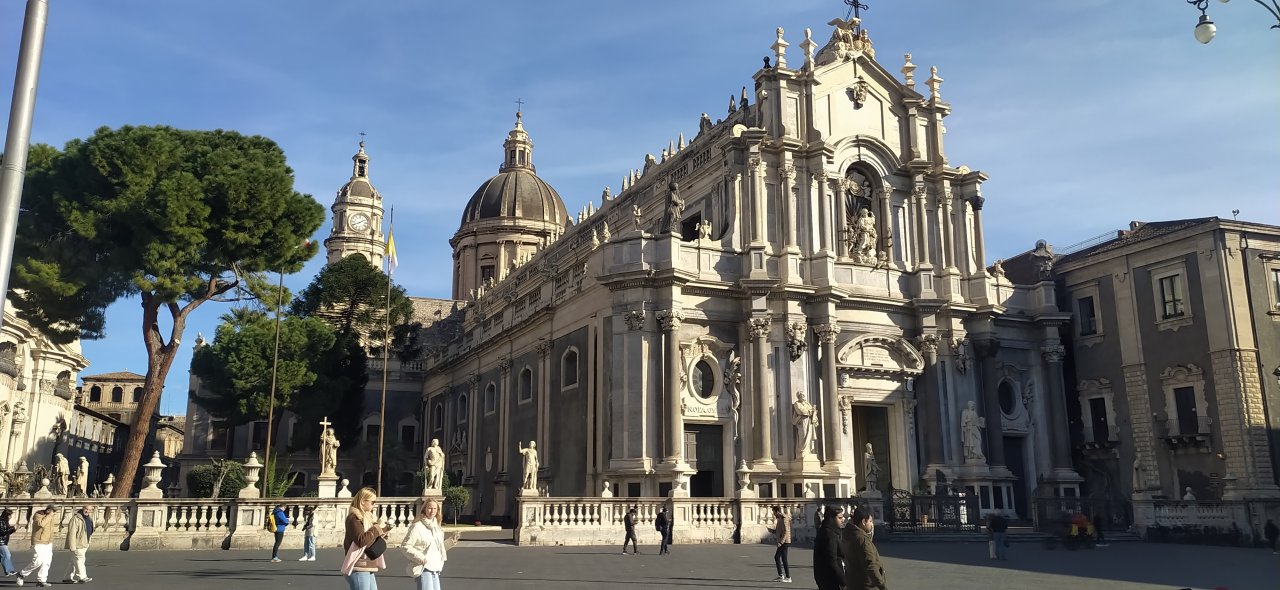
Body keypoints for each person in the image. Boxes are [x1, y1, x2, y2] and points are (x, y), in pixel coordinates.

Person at [341, 487, 391, 590]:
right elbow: (361, 541)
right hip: (358, 565)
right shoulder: (354, 518)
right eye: (373, 502)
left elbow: (371, 537)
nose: (374, 504)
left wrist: (384, 531)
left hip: (369, 564)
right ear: (363, 501)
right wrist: (376, 529)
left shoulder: (370, 517)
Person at [402, 498, 448, 590]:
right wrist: (420, 557)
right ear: (424, 509)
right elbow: (405, 546)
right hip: (424, 567)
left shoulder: (437, 527)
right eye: (430, 508)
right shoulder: (417, 526)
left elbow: (437, 547)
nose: (432, 511)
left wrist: (451, 542)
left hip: (436, 567)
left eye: (435, 509)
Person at [843, 507, 886, 590]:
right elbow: (871, 566)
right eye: (870, 521)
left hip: (853, 582)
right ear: (863, 522)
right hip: (866, 584)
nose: (872, 524)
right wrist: (882, 585)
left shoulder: (849, 534)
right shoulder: (862, 540)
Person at [17, 503, 58, 587]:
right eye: (54, 511)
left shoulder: (51, 516)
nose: (55, 513)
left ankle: (42, 580)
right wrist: (49, 515)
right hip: (39, 541)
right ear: (49, 510)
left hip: (48, 542)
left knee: (47, 562)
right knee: (37, 561)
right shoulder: (38, 515)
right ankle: (21, 574)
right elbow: (41, 524)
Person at [812, 506, 845, 590]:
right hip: (831, 580)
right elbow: (832, 561)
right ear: (831, 518)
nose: (843, 519)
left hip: (823, 577)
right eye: (839, 518)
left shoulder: (825, 530)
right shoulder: (830, 534)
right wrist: (843, 581)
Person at [62, 504, 94, 583]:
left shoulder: (89, 518)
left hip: (85, 543)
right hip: (77, 544)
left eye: (89, 510)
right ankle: (82, 577)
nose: (87, 511)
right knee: (80, 560)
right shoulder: (76, 519)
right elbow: (72, 533)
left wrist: (88, 542)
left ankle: (67, 578)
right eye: (86, 509)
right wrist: (72, 546)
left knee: (74, 561)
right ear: (83, 508)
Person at [769, 506, 792, 583]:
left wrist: (781, 542)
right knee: (777, 557)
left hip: (785, 541)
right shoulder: (779, 519)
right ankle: (781, 575)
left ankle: (788, 577)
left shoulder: (784, 518)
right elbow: (779, 531)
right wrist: (772, 531)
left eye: (774, 512)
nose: (773, 514)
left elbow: (786, 531)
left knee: (784, 559)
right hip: (782, 541)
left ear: (777, 512)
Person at [0, 509, 15, 576]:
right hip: (1, 541)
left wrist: (13, 529)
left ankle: (7, 571)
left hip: (3, 541)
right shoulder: (1, 521)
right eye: (10, 515)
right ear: (7, 515)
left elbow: (6, 533)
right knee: (7, 555)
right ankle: (9, 570)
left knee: (3, 557)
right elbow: (2, 532)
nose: (11, 517)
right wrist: (13, 528)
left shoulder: (5, 521)